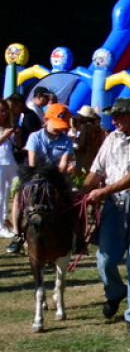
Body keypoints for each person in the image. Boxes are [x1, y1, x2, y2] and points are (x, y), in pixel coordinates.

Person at [82, 98, 130, 336]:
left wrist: (104, 191)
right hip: (114, 206)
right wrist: (81, 193)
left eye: (119, 115)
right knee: (104, 258)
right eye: (113, 116)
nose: (114, 120)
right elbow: (96, 171)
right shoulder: (110, 139)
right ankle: (116, 292)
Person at [7, 103, 76, 253]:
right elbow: (32, 162)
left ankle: (78, 235)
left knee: (74, 197)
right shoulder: (34, 137)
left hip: (57, 178)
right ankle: (17, 235)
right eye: (57, 124)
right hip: (34, 175)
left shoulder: (67, 141)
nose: (60, 129)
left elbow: (63, 165)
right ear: (46, 120)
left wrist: (55, 177)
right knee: (19, 199)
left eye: (63, 125)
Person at [0, 99, 17, 238]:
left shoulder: (8, 124)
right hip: (0, 163)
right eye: (1, 111)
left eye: (5, 110)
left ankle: (6, 219)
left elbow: (17, 144)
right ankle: (0, 227)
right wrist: (5, 135)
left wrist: (16, 136)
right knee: (0, 196)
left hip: (10, 161)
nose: (4, 113)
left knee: (9, 194)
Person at [72, 105, 105, 176]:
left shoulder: (86, 127)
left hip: (84, 158)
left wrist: (75, 140)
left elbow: (82, 143)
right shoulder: (98, 129)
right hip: (93, 157)